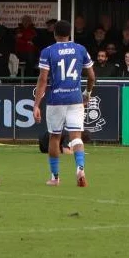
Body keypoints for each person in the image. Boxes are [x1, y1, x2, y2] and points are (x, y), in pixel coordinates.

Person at [33, 21, 95, 187]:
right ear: (70, 33)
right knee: (76, 136)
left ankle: (55, 177)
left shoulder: (48, 52)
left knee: (55, 137)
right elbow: (91, 77)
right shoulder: (80, 49)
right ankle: (80, 168)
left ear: (54, 33)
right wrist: (87, 93)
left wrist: (36, 104)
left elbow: (43, 79)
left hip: (56, 100)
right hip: (75, 99)